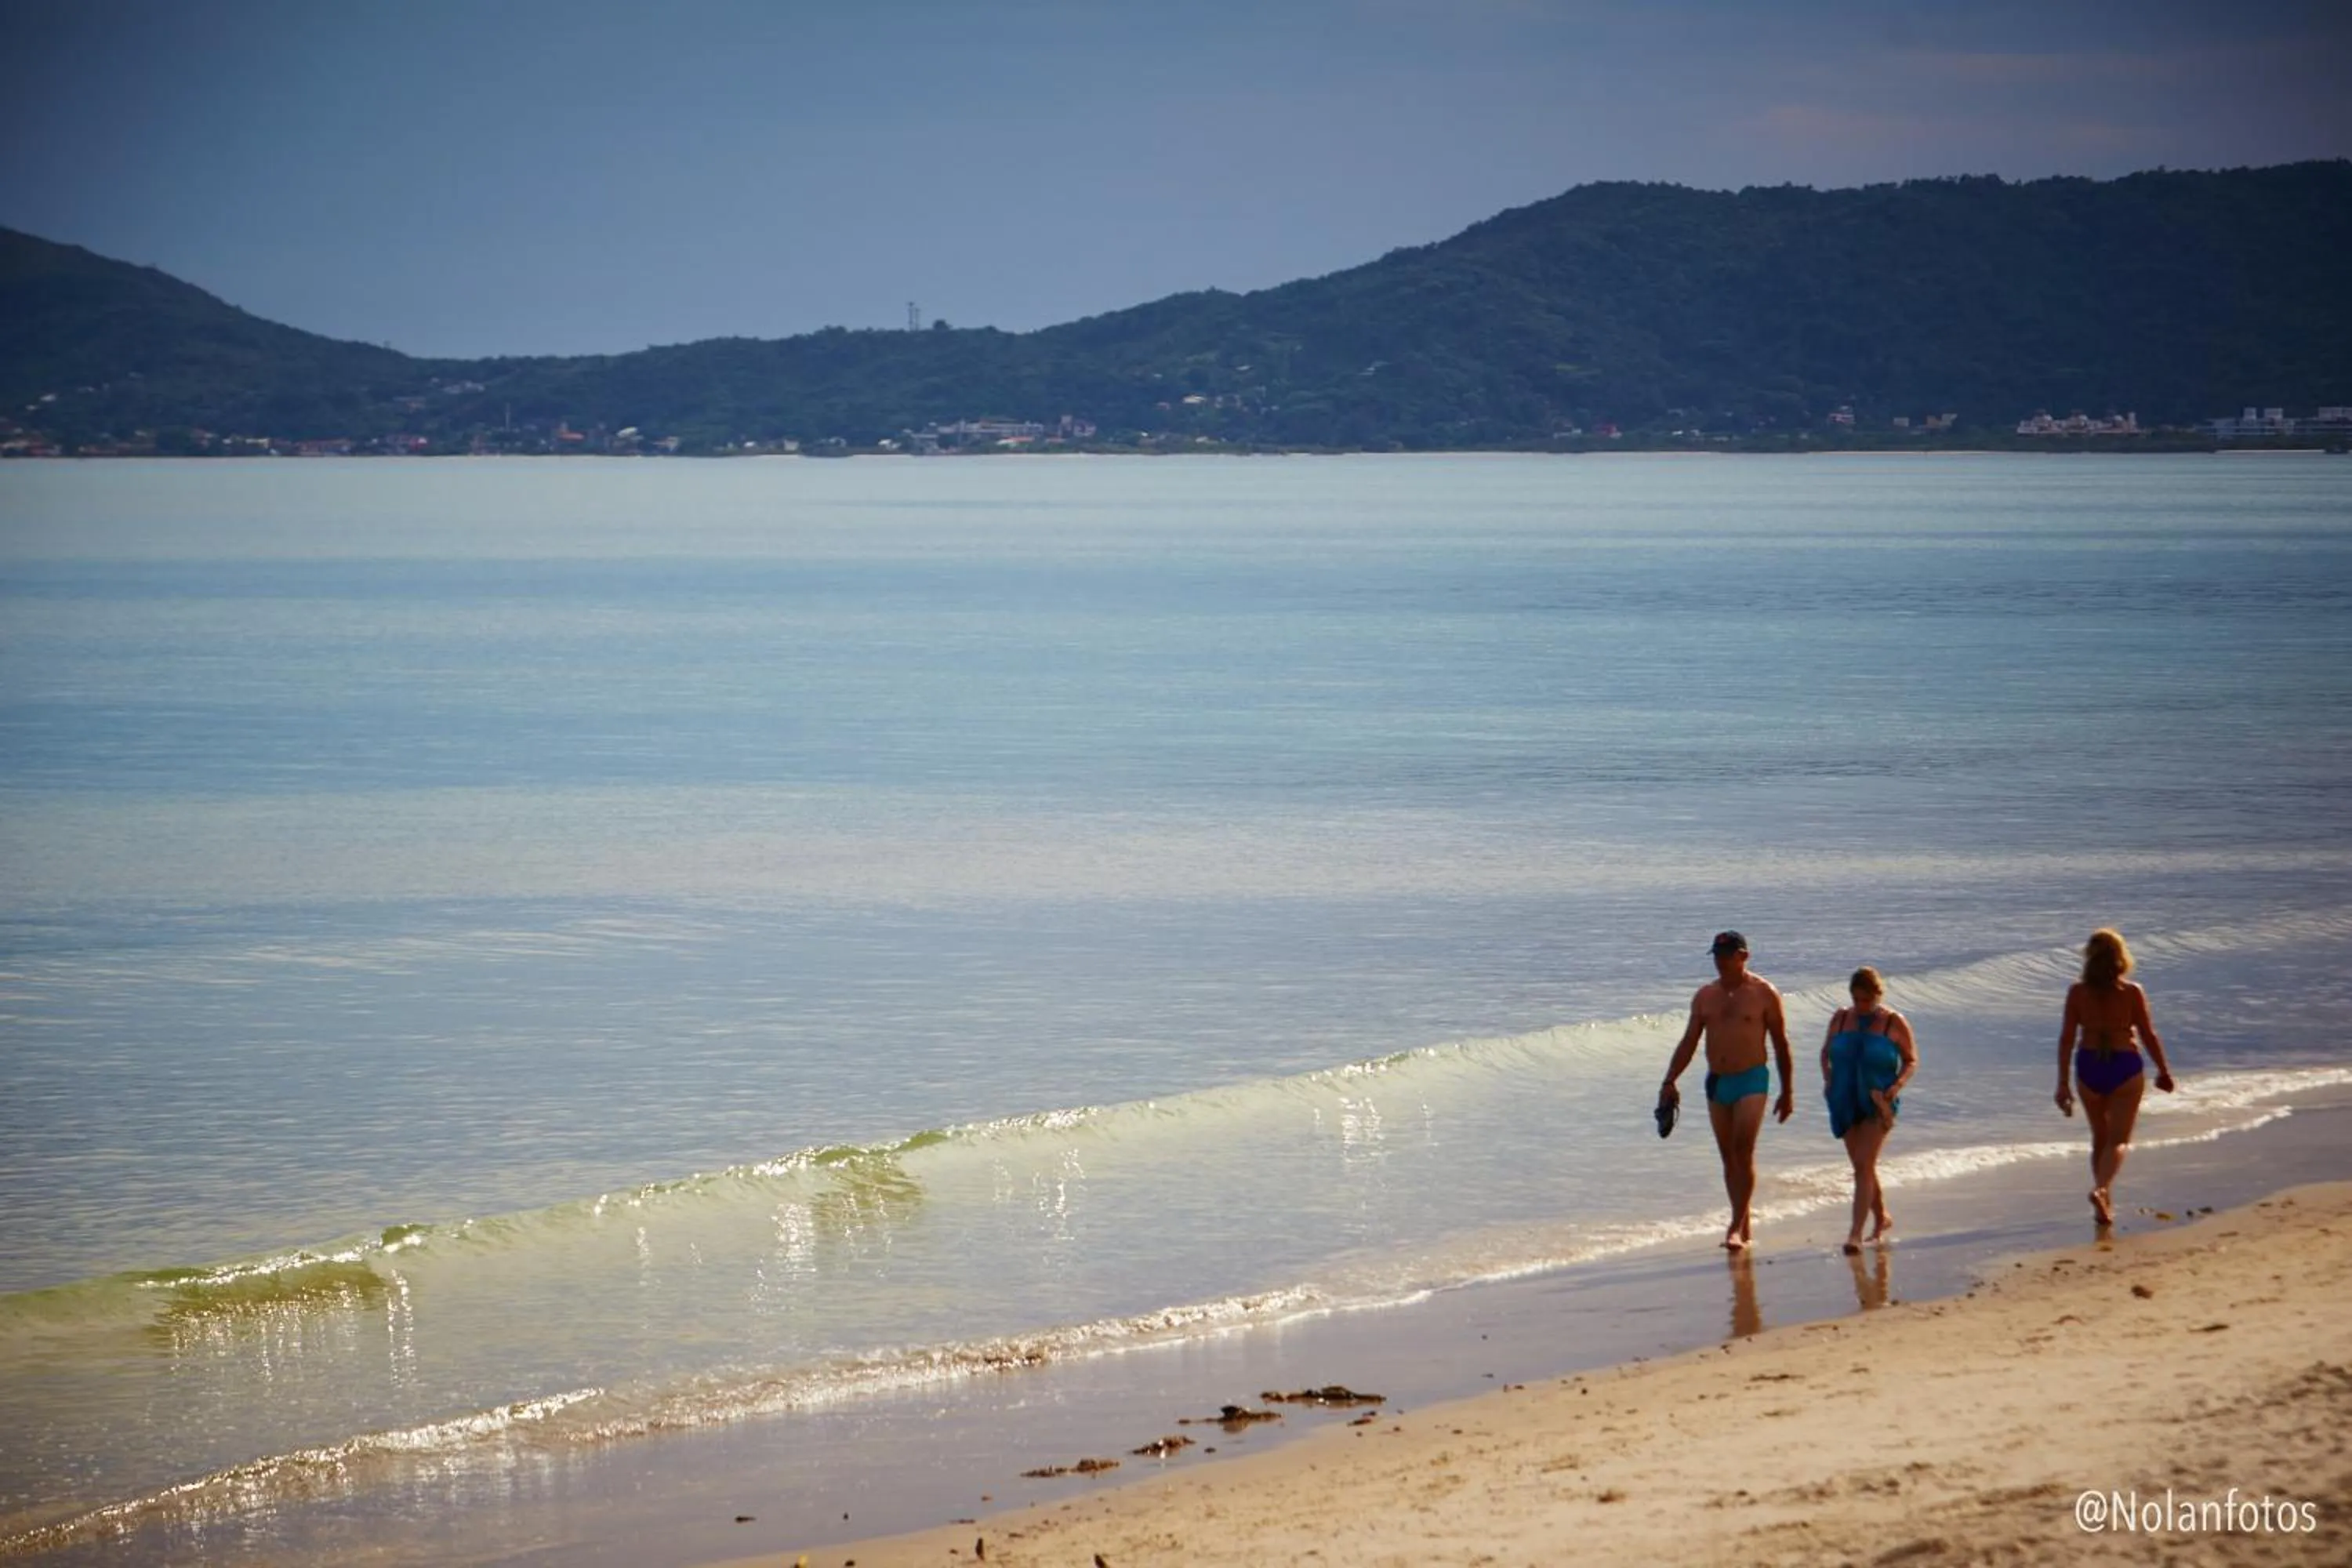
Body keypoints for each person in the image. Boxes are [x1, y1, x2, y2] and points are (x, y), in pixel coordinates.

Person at [1658, 931, 1794, 1251]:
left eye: (1726, 956)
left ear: (1743, 956)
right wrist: (1669, 1080)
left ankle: (1734, 1226)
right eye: (1716, 956)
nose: (1720, 962)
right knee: (1729, 1159)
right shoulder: (1705, 996)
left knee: (1743, 1149)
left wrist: (1788, 1091)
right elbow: (1689, 1041)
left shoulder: (1764, 994)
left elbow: (1781, 1043)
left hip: (1753, 1079)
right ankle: (1743, 1227)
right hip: (1718, 1082)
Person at [2056, 927, 2175, 1226]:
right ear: (2121, 957)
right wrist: (2164, 1070)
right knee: (2119, 1140)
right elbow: (2148, 1034)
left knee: (2100, 1137)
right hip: (2124, 1064)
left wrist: (2062, 1083)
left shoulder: (2077, 993)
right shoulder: (2132, 992)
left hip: (2089, 1065)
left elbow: (2067, 1039)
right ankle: (2102, 1189)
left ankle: (2104, 1203)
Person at [1821, 965, 1917, 1254]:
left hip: (1879, 1101)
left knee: (1864, 1165)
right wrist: (1828, 1080)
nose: (1861, 1006)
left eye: (1866, 1000)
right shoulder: (1840, 1018)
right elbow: (1825, 1053)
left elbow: (1911, 1060)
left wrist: (1896, 1087)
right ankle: (1882, 1217)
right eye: (1857, 999)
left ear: (1878, 995)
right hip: (1844, 1097)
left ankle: (1854, 1235)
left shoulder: (1893, 1022)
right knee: (1863, 1166)